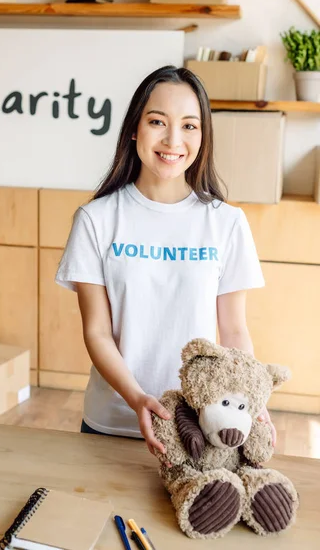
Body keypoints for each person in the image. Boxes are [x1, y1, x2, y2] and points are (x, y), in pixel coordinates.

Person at [55, 65, 276, 459]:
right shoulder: (96, 220)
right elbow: (98, 334)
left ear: (202, 136)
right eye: (158, 121)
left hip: (200, 424)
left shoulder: (226, 223)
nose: (173, 140)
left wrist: (248, 399)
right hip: (114, 422)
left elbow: (234, 331)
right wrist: (138, 399)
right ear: (135, 129)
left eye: (190, 126)